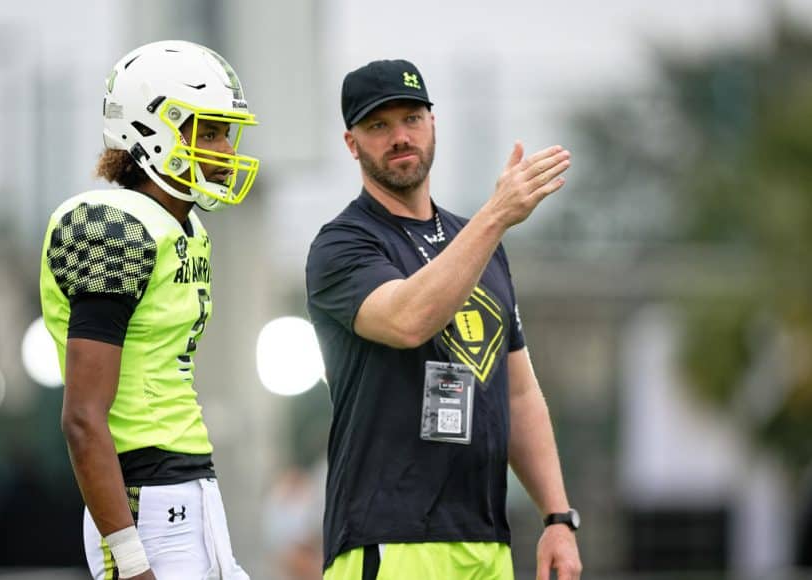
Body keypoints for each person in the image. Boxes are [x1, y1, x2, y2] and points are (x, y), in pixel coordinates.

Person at [305, 59, 583, 580]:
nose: (399, 137)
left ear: (434, 123)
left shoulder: (480, 244)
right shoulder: (343, 244)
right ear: (351, 143)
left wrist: (557, 517)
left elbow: (519, 393)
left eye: (411, 118)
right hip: (389, 540)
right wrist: (496, 215)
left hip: (485, 541)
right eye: (378, 126)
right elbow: (409, 319)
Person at [39, 40, 258, 580]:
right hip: (145, 500)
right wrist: (132, 561)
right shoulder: (113, 227)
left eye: (225, 133)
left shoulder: (184, 225)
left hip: (190, 487)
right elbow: (83, 418)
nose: (225, 150)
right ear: (152, 130)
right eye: (208, 131)